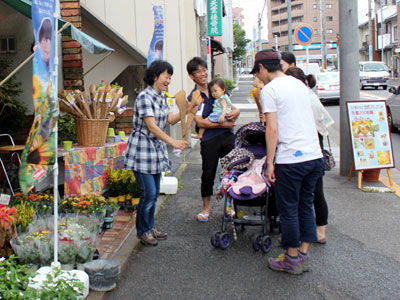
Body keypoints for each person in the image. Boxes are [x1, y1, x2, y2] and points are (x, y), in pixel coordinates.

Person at [251, 49, 323, 275]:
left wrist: (269, 163)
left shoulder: (270, 89)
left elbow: (272, 129)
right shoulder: (298, 84)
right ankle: (303, 255)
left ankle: (291, 259)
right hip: (314, 156)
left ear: (262, 68)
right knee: (305, 205)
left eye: (257, 72)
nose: (258, 77)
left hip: (291, 159)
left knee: (289, 209)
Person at [124, 60, 188, 246]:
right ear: (155, 76)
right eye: (166, 76)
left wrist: (186, 110)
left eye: (170, 77)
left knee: (154, 193)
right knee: (149, 193)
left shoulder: (161, 97)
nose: (168, 80)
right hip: (142, 152)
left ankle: (149, 228)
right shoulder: (145, 97)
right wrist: (174, 142)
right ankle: (143, 231)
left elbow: (170, 119)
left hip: (155, 152)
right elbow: (152, 126)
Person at [186, 57, 240, 222]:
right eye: (198, 72)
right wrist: (223, 125)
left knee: (231, 171)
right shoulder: (193, 97)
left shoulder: (217, 86)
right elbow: (200, 122)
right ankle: (206, 208)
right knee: (208, 173)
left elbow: (232, 109)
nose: (203, 74)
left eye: (204, 70)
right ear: (191, 76)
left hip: (227, 138)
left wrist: (236, 113)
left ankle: (230, 206)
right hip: (209, 140)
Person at [285, 67, 334, 244]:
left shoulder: (304, 97)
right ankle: (315, 233)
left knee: (313, 193)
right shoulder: (305, 95)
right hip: (312, 151)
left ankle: (320, 231)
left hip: (309, 150)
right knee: (311, 194)